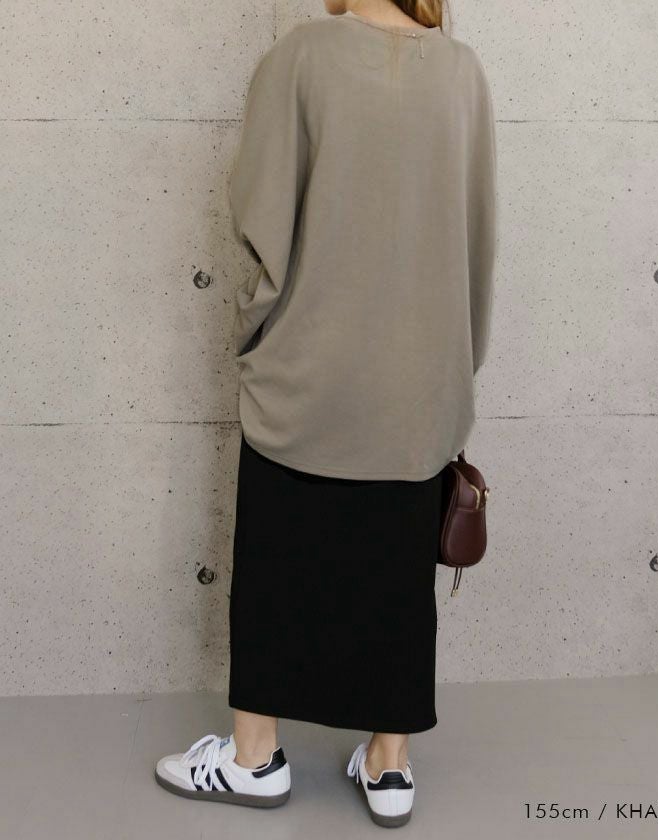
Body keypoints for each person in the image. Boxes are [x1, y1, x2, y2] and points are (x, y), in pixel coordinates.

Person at [155, 0, 497, 827]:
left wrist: (256, 333)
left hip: (312, 367)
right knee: (399, 571)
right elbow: (478, 233)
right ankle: (389, 765)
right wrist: (459, 361)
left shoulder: (301, 57)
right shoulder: (463, 71)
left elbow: (261, 215)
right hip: (421, 377)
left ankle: (254, 759)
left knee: (279, 554)